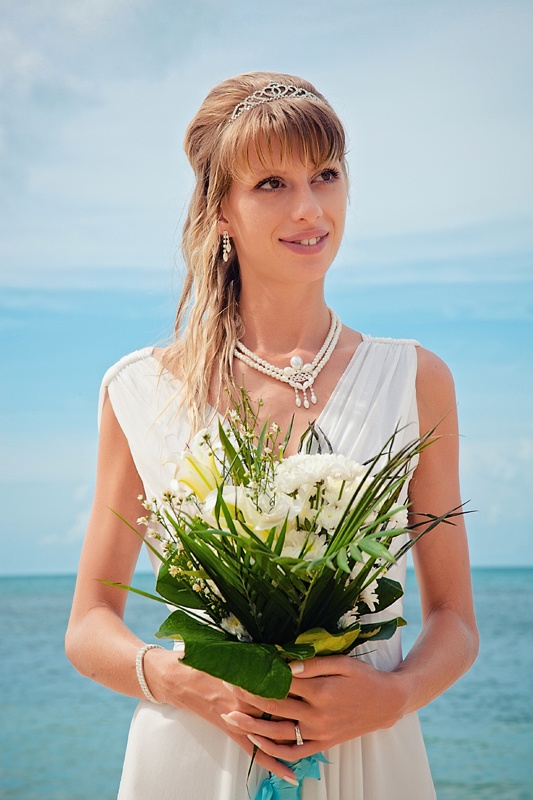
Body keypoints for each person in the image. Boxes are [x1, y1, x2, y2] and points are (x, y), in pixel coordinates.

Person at [65, 71, 479, 799]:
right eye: (272, 184)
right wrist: (191, 683)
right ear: (220, 209)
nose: (309, 208)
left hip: (366, 748)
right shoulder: (141, 390)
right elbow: (89, 626)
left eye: (325, 175)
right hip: (195, 750)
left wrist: (394, 696)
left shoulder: (415, 379)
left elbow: (454, 621)